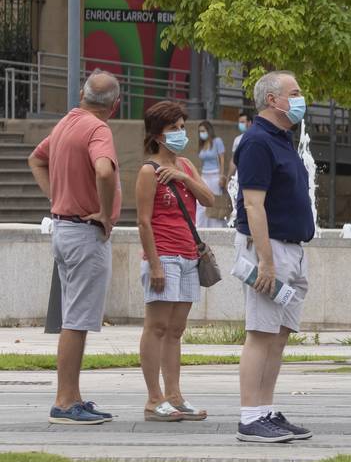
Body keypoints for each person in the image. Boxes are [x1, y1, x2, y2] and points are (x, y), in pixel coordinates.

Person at [27, 70, 123, 425]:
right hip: (85, 232)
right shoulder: (98, 129)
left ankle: (74, 396)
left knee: (75, 317)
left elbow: (35, 160)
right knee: (77, 320)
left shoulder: (68, 122)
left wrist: (56, 195)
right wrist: (104, 212)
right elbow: (103, 170)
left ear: (83, 95)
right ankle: (65, 401)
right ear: (115, 105)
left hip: (64, 229)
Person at [233, 71, 317, 443]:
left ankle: (265, 410)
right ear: (273, 100)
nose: (300, 99)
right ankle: (250, 416)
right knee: (261, 332)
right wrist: (266, 261)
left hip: (292, 248)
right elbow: (254, 204)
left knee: (278, 335)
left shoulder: (282, 139)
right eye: (294, 93)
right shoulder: (256, 142)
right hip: (271, 249)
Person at [135, 101, 213, 423]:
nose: (181, 133)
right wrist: (154, 264)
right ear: (157, 134)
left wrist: (183, 175)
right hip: (163, 255)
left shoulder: (185, 166)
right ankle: (154, 399)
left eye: (182, 127)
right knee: (157, 326)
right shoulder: (148, 171)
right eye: (173, 129)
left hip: (188, 256)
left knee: (176, 329)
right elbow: (143, 221)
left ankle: (175, 395)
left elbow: (209, 199)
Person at [193, 120, 229, 228]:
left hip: (215, 175)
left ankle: (216, 227)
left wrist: (222, 176)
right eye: (199, 131)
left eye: (203, 130)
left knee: (214, 202)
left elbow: (222, 159)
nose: (201, 133)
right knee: (201, 202)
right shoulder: (202, 144)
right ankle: (200, 226)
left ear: (208, 130)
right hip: (204, 175)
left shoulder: (217, 141)